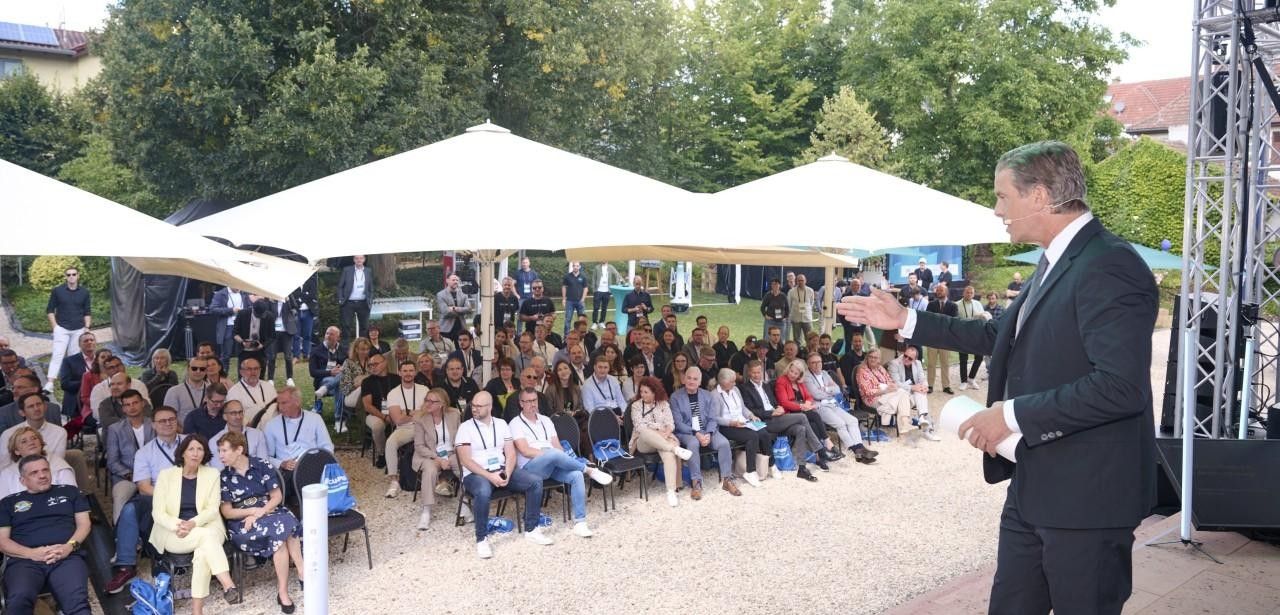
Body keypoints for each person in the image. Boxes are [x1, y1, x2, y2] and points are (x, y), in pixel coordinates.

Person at [838, 141, 1158, 615]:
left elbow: (1120, 387)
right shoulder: (1055, 260)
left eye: (1003, 196)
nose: (997, 210)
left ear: (1040, 196)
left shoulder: (1110, 264)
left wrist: (1009, 415)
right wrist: (906, 319)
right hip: (1034, 487)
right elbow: (998, 334)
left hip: (1089, 499)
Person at [150, 434, 242, 614]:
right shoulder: (166, 475)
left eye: (200, 449)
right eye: (191, 449)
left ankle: (197, 611)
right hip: (174, 532)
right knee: (207, 539)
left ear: (205, 453)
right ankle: (228, 584)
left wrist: (192, 523)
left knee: (202, 553)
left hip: (207, 525)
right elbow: (158, 513)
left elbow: (212, 509)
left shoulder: (212, 474)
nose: (196, 453)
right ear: (182, 452)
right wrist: (179, 525)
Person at [455, 391, 552, 559]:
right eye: (473, 405)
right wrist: (490, 476)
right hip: (476, 473)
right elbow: (465, 460)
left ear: (490, 407)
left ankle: (532, 529)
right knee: (483, 491)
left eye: (479, 406)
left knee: (535, 482)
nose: (474, 409)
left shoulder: (501, 424)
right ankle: (481, 538)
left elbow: (511, 453)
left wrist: (507, 472)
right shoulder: (465, 427)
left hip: (501, 469)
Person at [217, 432, 304, 613]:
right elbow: (227, 512)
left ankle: (286, 587)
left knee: (284, 523)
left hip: (269, 512)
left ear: (239, 449)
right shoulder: (224, 477)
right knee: (282, 531)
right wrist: (252, 512)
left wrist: (260, 512)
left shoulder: (262, 465)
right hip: (243, 523)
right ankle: (298, 577)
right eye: (219, 451)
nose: (220, 456)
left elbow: (276, 497)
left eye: (224, 450)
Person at [510, 389, 612, 538]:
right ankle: (589, 470)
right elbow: (525, 451)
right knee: (554, 454)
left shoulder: (546, 420)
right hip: (531, 467)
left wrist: (556, 457)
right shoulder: (515, 423)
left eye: (534, 400)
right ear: (521, 403)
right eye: (528, 401)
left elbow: (557, 446)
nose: (532, 404)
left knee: (576, 476)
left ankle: (580, 523)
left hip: (552, 464)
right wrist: (550, 455)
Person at [0, 455, 92, 614]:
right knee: (19, 599)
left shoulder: (70, 492)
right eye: (34, 473)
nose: (42, 475)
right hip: (25, 560)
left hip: (66, 556)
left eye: (45, 470)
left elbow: (84, 525)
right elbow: (2, 541)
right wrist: (32, 553)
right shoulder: (8, 502)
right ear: (22, 480)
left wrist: (68, 547)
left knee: (78, 604)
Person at [105, 404, 182, 594]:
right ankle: (126, 566)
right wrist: (168, 497)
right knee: (131, 508)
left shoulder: (191, 444)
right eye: (162, 421)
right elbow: (144, 487)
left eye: (171, 419)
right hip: (158, 496)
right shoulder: (145, 452)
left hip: (192, 495)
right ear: (153, 425)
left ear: (177, 421)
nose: (167, 424)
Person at [738, 361, 824, 481]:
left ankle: (802, 468)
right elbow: (751, 410)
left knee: (801, 429)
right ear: (749, 373)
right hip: (765, 421)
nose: (757, 375)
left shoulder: (766, 385)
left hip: (777, 418)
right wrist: (771, 413)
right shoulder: (744, 388)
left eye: (758, 372)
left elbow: (774, 402)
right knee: (802, 417)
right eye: (754, 373)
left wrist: (779, 408)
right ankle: (820, 449)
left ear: (762, 372)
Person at [669, 366, 738, 498]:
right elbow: (678, 423)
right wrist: (696, 433)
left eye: (695, 379)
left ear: (700, 382)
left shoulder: (707, 395)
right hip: (687, 432)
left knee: (724, 443)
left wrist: (709, 433)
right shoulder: (675, 397)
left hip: (707, 430)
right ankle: (696, 483)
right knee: (693, 443)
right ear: (684, 379)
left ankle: (727, 479)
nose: (691, 381)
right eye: (689, 378)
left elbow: (712, 418)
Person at [798, 355, 877, 462]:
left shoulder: (825, 373)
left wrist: (825, 389)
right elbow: (816, 394)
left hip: (832, 404)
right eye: (813, 363)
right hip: (820, 406)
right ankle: (856, 451)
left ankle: (860, 448)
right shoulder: (807, 377)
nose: (817, 365)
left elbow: (837, 389)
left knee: (853, 420)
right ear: (808, 364)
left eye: (819, 362)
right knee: (840, 424)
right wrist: (829, 391)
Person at [263, 387, 334, 495]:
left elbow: (327, 447)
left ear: (297, 402)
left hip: (312, 465)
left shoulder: (315, 419)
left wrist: (315, 461)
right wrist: (281, 463)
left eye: (284, 403)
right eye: (278, 403)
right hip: (287, 470)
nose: (280, 408)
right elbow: (266, 456)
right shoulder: (271, 425)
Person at [711, 369, 774, 487]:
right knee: (752, 436)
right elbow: (715, 418)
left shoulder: (735, 390)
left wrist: (751, 415)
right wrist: (731, 423)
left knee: (764, 433)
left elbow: (743, 408)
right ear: (723, 382)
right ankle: (750, 471)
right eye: (732, 381)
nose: (735, 384)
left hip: (742, 422)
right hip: (727, 426)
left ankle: (771, 464)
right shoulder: (715, 395)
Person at [411, 387, 461, 530]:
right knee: (430, 470)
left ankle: (463, 504)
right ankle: (426, 511)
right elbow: (419, 446)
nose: (428, 403)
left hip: (450, 453)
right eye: (427, 400)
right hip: (429, 455)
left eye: (433, 401)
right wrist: (438, 459)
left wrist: (454, 455)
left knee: (465, 466)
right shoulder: (419, 418)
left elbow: (460, 439)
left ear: (442, 404)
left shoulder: (454, 414)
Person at [382, 361, 427, 498]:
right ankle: (394, 480)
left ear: (415, 372)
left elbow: (428, 412)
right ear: (399, 373)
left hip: (424, 426)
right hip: (405, 428)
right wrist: (416, 412)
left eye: (411, 370)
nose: (408, 374)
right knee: (390, 443)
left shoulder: (424, 390)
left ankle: (438, 477)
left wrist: (406, 412)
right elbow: (398, 420)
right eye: (405, 371)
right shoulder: (393, 393)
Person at [44, 266, 92, 394]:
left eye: (74, 274)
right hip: (62, 328)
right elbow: (50, 310)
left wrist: (87, 328)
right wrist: (55, 327)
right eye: (69, 274)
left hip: (79, 329)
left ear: (78, 276)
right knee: (57, 354)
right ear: (66, 277)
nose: (71, 277)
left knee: (74, 356)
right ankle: (50, 383)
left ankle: (73, 381)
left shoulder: (84, 292)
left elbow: (87, 311)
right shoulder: (57, 291)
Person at [0, 393, 68, 472]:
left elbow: (57, 463)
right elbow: (4, 465)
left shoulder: (59, 432)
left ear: (45, 407)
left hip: (50, 473)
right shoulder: (8, 434)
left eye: (39, 404)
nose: (36, 409)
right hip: (16, 475)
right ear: (22, 413)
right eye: (31, 406)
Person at [0, 427, 76, 498]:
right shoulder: (7, 473)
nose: (31, 443)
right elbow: (3, 503)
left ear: (41, 443)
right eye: (24, 441)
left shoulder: (59, 466)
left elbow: (72, 496)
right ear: (16, 451)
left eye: (34, 438)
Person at [887, 347, 941, 441]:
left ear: (915, 359)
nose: (906, 359)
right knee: (920, 395)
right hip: (901, 395)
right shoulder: (894, 364)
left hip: (914, 394)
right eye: (905, 356)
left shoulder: (918, 363)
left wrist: (924, 387)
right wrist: (913, 387)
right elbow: (896, 384)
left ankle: (922, 418)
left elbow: (922, 379)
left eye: (910, 358)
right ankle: (925, 426)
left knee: (921, 393)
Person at [357, 354, 398, 469]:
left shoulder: (396, 379)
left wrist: (395, 415)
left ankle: (402, 452)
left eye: (375, 364)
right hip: (375, 414)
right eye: (370, 365)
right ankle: (382, 453)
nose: (372, 367)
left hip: (394, 412)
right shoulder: (367, 382)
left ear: (385, 363)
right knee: (377, 426)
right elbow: (368, 406)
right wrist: (384, 417)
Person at [210, 400, 268, 470]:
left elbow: (263, 464)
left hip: (255, 475)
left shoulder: (257, 435)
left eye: (240, 412)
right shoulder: (214, 441)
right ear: (225, 416)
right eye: (233, 413)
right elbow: (218, 469)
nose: (238, 416)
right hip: (227, 476)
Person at [924, 284, 957, 394]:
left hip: (945, 340)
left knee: (945, 363)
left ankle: (946, 386)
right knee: (931, 364)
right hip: (932, 339)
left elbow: (953, 321)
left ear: (946, 292)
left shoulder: (953, 306)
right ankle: (930, 385)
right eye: (937, 290)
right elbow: (928, 319)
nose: (938, 292)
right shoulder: (931, 304)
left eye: (941, 290)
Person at [225, 357, 277, 425]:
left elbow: (277, 405)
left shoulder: (268, 386)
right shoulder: (234, 392)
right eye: (249, 369)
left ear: (260, 370)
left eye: (256, 369)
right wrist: (249, 426)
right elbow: (233, 414)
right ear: (241, 372)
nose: (253, 372)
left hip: (274, 427)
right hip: (250, 429)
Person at [337, 338, 373, 433]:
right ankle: (366, 427)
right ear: (356, 349)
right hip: (351, 395)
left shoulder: (371, 362)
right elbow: (344, 387)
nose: (365, 352)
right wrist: (357, 384)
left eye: (367, 349)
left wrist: (362, 380)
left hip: (370, 395)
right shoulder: (348, 363)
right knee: (364, 388)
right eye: (362, 349)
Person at [955, 285, 987, 391]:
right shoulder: (957, 304)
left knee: (979, 357)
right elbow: (955, 320)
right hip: (963, 334)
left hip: (976, 334)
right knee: (963, 358)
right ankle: (963, 381)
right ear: (963, 293)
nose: (969, 294)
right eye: (967, 292)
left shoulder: (978, 304)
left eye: (971, 293)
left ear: (973, 294)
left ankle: (971, 378)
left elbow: (983, 318)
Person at [308, 326, 346, 413]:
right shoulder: (316, 351)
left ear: (338, 338)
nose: (328, 336)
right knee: (340, 383)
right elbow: (312, 372)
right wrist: (330, 372)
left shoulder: (344, 350)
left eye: (331, 334)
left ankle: (339, 413)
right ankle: (340, 415)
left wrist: (341, 369)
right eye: (327, 333)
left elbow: (349, 365)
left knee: (341, 380)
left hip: (340, 378)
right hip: (323, 380)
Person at [210, 286, 250, 369]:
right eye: (236, 285)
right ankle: (223, 375)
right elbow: (213, 309)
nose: (238, 287)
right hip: (228, 327)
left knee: (243, 353)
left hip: (241, 327)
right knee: (226, 355)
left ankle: (242, 375)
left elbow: (249, 307)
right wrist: (231, 310)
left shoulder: (244, 293)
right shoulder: (221, 294)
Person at [337, 255, 373, 343]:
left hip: (363, 303)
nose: (359, 260)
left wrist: (370, 299)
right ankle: (345, 347)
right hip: (348, 303)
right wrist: (341, 299)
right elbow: (340, 286)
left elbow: (370, 288)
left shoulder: (368, 270)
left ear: (364, 259)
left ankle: (362, 346)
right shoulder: (347, 270)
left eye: (361, 258)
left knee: (364, 327)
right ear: (354, 260)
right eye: (357, 258)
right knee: (346, 326)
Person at [232, 296, 275, 370]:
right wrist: (242, 342)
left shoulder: (269, 316)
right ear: (253, 309)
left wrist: (262, 345)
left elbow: (272, 336)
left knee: (260, 373)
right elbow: (234, 333)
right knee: (243, 372)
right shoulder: (242, 314)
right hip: (244, 350)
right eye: (259, 315)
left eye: (262, 314)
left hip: (260, 351)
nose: (261, 316)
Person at [162, 356, 208, 425]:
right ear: (188, 369)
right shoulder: (174, 391)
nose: (198, 371)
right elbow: (168, 418)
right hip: (182, 430)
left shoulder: (212, 390)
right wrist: (184, 431)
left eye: (202, 369)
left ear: (206, 371)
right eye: (194, 368)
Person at [265, 294, 299, 385]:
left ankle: (289, 378)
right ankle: (270, 379)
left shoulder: (289, 295)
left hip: (287, 331)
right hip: (273, 330)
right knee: (272, 356)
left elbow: (295, 309)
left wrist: (287, 301)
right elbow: (265, 313)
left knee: (288, 356)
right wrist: (270, 301)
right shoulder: (270, 296)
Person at [290, 273, 320, 365]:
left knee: (307, 334)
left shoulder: (311, 280)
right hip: (296, 311)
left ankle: (306, 355)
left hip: (308, 311)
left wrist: (300, 298)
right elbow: (292, 296)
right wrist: (305, 295)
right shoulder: (293, 281)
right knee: (296, 335)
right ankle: (296, 356)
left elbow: (313, 295)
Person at [437, 274, 476, 345]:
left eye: (457, 280)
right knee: (446, 349)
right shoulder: (441, 295)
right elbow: (445, 311)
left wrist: (455, 308)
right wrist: (462, 311)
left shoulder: (463, 294)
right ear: (447, 281)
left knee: (461, 349)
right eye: (453, 280)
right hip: (445, 328)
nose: (455, 282)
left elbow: (469, 309)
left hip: (460, 327)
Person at [561, 262, 588, 337]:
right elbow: (564, 287)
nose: (575, 267)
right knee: (568, 319)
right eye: (574, 266)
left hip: (580, 301)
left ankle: (581, 335)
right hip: (569, 301)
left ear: (579, 267)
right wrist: (564, 299)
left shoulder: (583, 277)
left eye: (577, 266)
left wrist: (583, 299)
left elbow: (585, 288)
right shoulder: (567, 276)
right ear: (572, 267)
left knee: (582, 320)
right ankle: (566, 336)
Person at [787, 274, 815, 344]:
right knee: (796, 339)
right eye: (799, 280)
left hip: (807, 318)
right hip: (796, 319)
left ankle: (809, 350)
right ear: (796, 281)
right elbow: (789, 304)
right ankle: (798, 350)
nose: (800, 282)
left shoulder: (810, 291)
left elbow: (811, 303)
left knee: (810, 338)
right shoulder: (791, 291)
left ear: (805, 281)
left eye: (802, 280)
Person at [591, 262, 617, 328]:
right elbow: (593, 278)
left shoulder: (610, 267)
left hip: (607, 291)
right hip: (598, 291)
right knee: (596, 308)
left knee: (604, 308)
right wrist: (594, 290)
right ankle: (594, 323)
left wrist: (622, 281)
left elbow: (617, 274)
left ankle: (601, 322)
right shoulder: (597, 267)